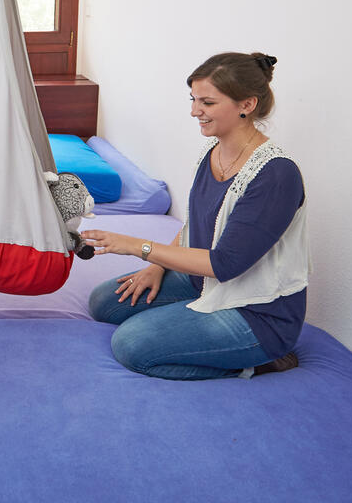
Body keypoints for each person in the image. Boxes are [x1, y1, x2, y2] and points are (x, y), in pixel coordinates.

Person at [81, 52, 309, 380]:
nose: (194, 111)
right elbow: (193, 225)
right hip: (202, 283)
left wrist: (136, 246)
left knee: (131, 344)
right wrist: (157, 266)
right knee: (105, 303)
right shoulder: (212, 151)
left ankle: (257, 362)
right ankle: (185, 318)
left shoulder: (275, 175)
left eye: (207, 102)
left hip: (255, 313)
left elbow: (225, 264)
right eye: (193, 99)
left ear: (246, 104)